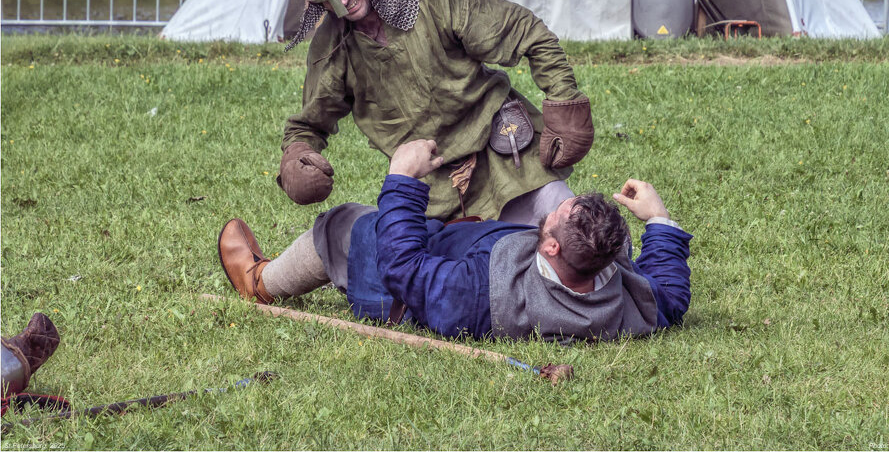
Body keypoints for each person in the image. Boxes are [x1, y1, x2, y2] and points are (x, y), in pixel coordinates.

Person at [277, 0, 595, 227]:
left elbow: (526, 32)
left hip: (508, 156)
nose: (344, 1)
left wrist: (565, 101)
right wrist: (298, 157)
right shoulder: (332, 48)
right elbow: (308, 123)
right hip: (436, 194)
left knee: (572, 229)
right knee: (461, 274)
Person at [218, 139, 692, 343]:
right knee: (540, 191)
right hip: (465, 245)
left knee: (347, 225)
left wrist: (402, 178)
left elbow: (402, 267)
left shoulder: (483, 296)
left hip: (398, 288)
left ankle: (261, 281)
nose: (558, 209)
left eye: (558, 218)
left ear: (549, 248)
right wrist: (659, 219)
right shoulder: (623, 292)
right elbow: (670, 296)